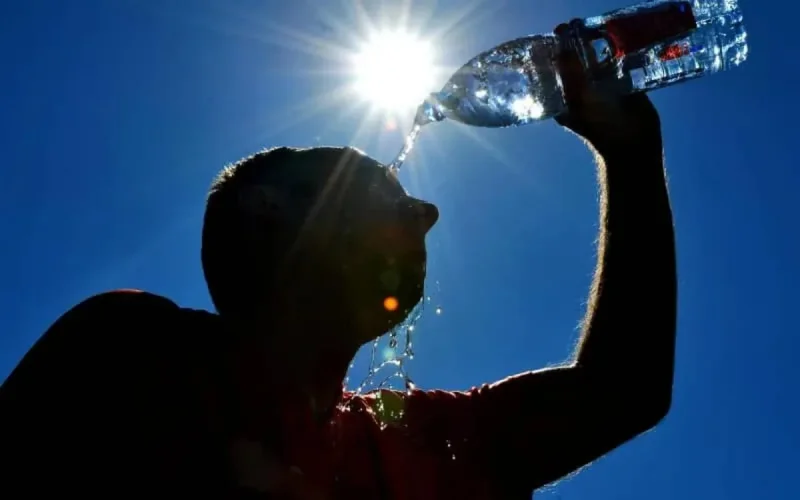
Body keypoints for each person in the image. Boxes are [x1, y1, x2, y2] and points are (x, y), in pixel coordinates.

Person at [0, 42, 677, 499]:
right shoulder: (134, 353)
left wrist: (632, 154)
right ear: (269, 210)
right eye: (379, 188)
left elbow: (623, 392)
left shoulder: (420, 439)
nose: (428, 213)